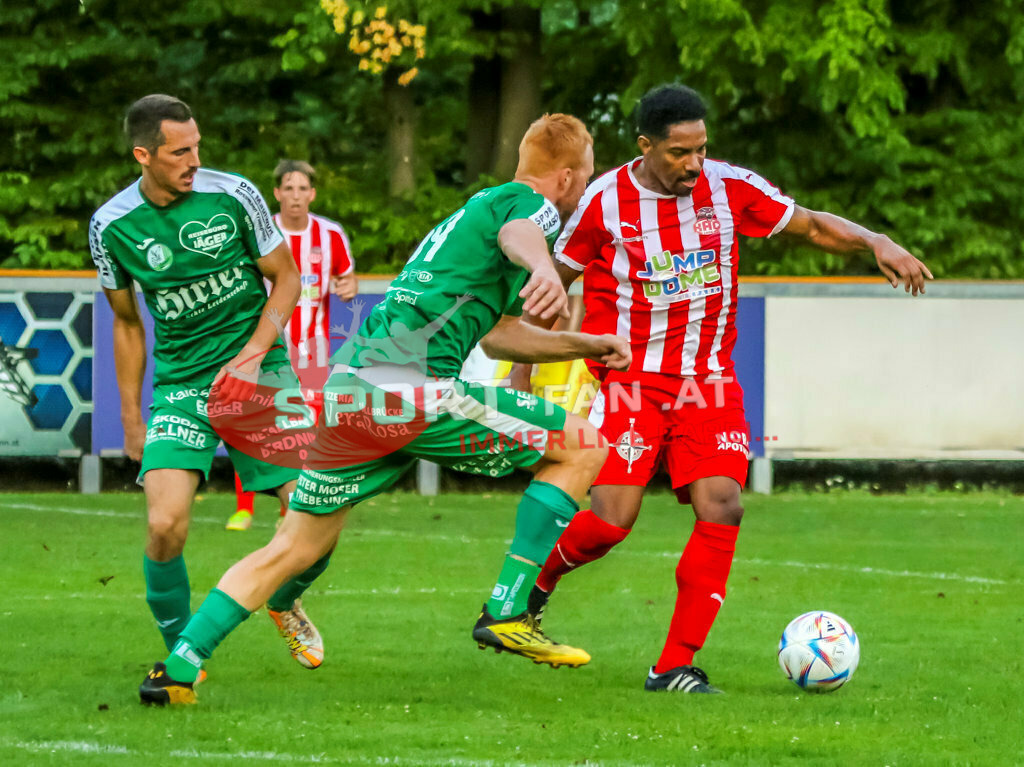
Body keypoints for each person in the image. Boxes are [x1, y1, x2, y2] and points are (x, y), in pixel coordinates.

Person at [137, 113, 632, 706]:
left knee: (294, 546)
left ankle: (178, 670)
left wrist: (586, 344)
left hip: (352, 390)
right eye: (589, 171)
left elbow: (498, 334)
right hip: (411, 388)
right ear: (569, 174)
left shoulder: (474, 214)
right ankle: (506, 610)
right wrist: (546, 266)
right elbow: (520, 235)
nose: (588, 182)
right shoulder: (530, 206)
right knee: (583, 443)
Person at [518, 84, 932, 694]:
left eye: (701, 150)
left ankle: (674, 665)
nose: (693, 164)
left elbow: (812, 225)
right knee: (610, 523)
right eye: (680, 152)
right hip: (632, 380)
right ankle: (532, 592)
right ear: (646, 146)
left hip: (708, 382)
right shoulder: (604, 202)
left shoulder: (728, 186)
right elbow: (552, 282)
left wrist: (876, 241)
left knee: (724, 505)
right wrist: (522, 370)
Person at [89, 94, 330, 673]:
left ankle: (285, 597)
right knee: (164, 524)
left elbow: (287, 279)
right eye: (180, 152)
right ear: (143, 154)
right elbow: (126, 324)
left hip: (263, 376)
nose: (195, 160)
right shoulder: (110, 226)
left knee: (314, 518)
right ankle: (181, 652)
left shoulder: (235, 194)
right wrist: (131, 418)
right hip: (183, 385)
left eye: (197, 146)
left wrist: (251, 355)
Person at [226, 160, 358, 532]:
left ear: (312, 194)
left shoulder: (331, 234)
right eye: (289, 188)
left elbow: (347, 280)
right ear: (277, 193)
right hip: (268, 346)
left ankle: (294, 508)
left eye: (303, 189)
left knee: (305, 431)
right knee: (258, 424)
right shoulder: (262, 231)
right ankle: (244, 508)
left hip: (314, 351)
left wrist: (349, 288)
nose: (296, 196)